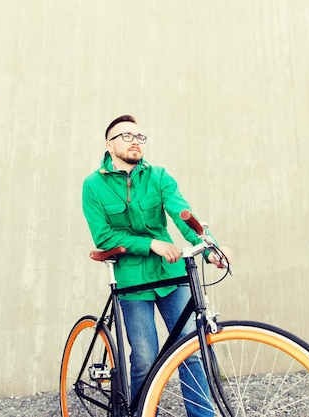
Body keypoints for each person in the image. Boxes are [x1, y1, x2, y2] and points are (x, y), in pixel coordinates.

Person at [82, 115, 232, 416]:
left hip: (170, 275)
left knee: (190, 351)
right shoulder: (93, 185)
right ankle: (140, 411)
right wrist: (151, 244)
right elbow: (103, 235)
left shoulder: (159, 176)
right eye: (126, 136)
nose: (136, 140)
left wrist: (210, 248)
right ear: (109, 144)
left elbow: (182, 214)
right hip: (132, 281)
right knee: (146, 358)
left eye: (140, 136)